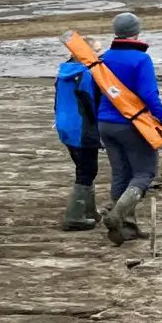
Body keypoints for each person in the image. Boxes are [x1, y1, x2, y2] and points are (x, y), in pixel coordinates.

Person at [97, 11, 162, 246]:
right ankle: (117, 215)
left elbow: (96, 92)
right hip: (132, 124)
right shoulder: (141, 59)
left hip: (105, 123)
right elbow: (148, 94)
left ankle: (128, 227)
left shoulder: (104, 58)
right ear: (136, 32)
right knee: (144, 173)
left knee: (121, 174)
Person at [54, 42, 103, 231]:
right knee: (87, 170)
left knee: (83, 167)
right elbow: (92, 104)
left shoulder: (64, 71)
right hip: (82, 128)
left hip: (65, 125)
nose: (101, 53)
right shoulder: (86, 74)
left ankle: (89, 211)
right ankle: (74, 216)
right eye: (97, 50)